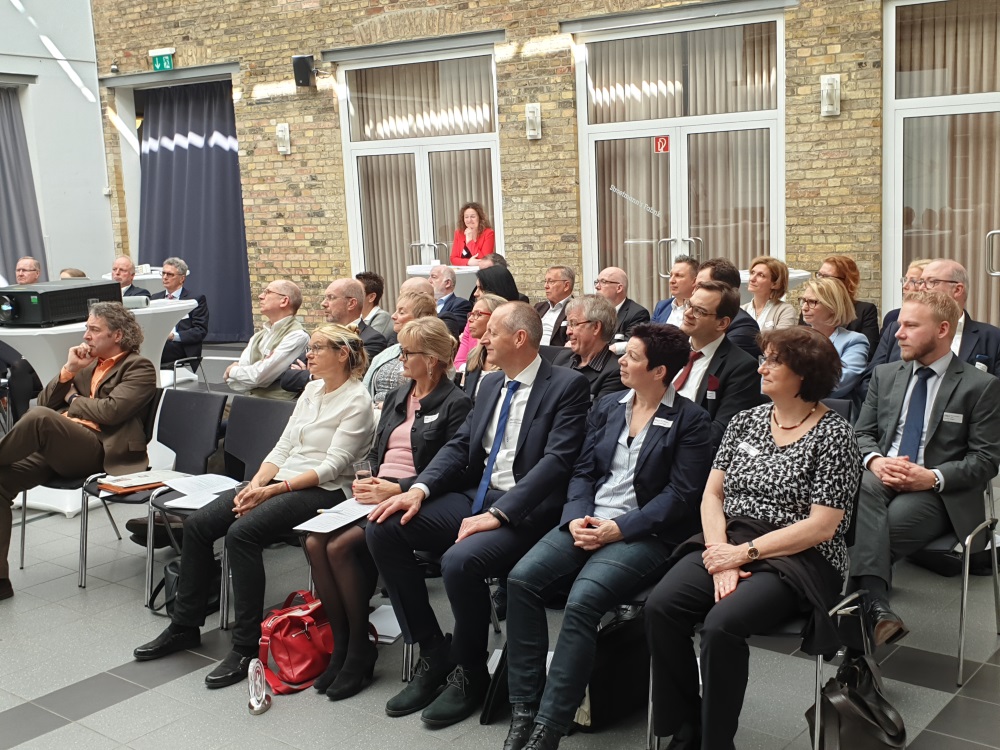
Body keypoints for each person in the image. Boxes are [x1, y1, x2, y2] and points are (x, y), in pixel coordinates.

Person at [366, 302, 591, 728]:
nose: (481, 340)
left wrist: (502, 514)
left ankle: (469, 671)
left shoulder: (566, 386)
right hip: (476, 496)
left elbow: (557, 462)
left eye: (491, 334)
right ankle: (434, 652)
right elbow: (459, 446)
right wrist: (417, 489)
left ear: (519, 338)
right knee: (383, 528)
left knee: (460, 561)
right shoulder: (488, 384)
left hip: (526, 509)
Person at [646, 326, 861, 750]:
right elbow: (711, 495)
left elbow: (822, 526)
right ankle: (688, 723)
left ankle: (716, 741)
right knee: (660, 607)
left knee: (721, 625)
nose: (761, 367)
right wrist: (717, 551)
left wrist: (741, 555)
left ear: (804, 374)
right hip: (728, 537)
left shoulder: (835, 435)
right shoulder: (745, 421)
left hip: (799, 553)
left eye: (774, 361)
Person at [503, 323, 714, 750]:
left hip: (645, 534)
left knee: (583, 602)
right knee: (521, 581)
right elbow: (582, 470)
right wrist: (578, 515)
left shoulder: (690, 420)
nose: (621, 361)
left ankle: (550, 725)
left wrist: (621, 527)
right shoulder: (608, 404)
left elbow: (680, 496)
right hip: (590, 518)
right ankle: (524, 708)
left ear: (659, 372)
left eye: (632, 357)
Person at [133, 324, 376, 688]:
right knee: (200, 525)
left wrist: (272, 492)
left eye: (317, 348)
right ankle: (185, 625)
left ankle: (245, 646)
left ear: (343, 354)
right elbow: (282, 447)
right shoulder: (311, 389)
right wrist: (257, 484)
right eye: (309, 348)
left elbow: (333, 466)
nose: (308, 355)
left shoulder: (357, 400)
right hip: (281, 481)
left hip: (325, 490)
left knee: (242, 534)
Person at [305, 317, 472, 700]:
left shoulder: (457, 404)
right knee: (316, 542)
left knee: (339, 546)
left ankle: (361, 651)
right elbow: (379, 452)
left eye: (407, 352)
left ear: (431, 360)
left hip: (421, 495)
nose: (399, 358)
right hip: (377, 491)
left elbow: (455, 469)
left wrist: (398, 487)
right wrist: (366, 479)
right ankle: (346, 644)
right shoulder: (399, 395)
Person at [849, 292, 1000, 645]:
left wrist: (931, 476)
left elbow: (986, 461)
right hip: (881, 477)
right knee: (866, 490)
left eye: (910, 326)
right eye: (899, 324)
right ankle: (876, 614)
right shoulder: (886, 375)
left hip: (938, 491)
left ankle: (852, 628)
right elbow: (861, 435)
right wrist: (876, 460)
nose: (897, 333)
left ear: (943, 329)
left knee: (863, 535)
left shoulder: (980, 387)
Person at [0, 302, 156, 600]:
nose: (86, 336)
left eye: (94, 330)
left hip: (100, 450)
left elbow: (112, 412)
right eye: (87, 328)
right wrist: (69, 371)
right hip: (60, 448)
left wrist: (72, 401)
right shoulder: (86, 367)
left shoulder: (138, 367)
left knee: (39, 419)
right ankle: (0, 582)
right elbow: (45, 402)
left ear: (118, 335)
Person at [861, 259, 1000, 403]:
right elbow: (869, 381)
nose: (921, 288)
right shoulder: (896, 330)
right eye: (921, 282)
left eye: (931, 282)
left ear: (957, 290)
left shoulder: (992, 338)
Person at [676, 280, 765, 450]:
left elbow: (722, 431)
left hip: (690, 454)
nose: (687, 313)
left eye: (699, 311)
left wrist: (669, 434)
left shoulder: (742, 367)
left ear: (722, 323)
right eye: (689, 305)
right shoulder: (669, 349)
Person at [280, 278, 387, 395]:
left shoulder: (371, 339)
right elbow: (287, 378)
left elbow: (351, 376)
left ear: (351, 303)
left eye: (331, 298)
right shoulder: (321, 336)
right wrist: (318, 375)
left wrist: (310, 374)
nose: (323, 304)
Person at [222, 281, 309, 399]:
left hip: (276, 407)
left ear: (284, 301)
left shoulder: (297, 336)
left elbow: (259, 377)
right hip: (249, 400)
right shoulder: (258, 336)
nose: (260, 296)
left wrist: (232, 370)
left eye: (267, 292)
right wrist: (247, 375)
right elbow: (233, 383)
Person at [799, 277, 869, 401]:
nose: (804, 307)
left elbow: (840, 382)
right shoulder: (796, 339)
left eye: (812, 302)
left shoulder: (853, 341)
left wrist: (792, 384)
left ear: (832, 307)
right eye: (803, 300)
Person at [363, 291, 437, 405]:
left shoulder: (433, 355)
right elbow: (365, 390)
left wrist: (391, 408)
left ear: (421, 318)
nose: (393, 316)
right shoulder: (386, 354)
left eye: (401, 312)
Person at [549, 294, 624, 403]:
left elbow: (596, 416)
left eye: (574, 324)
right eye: (568, 324)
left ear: (596, 327)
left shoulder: (616, 372)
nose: (568, 331)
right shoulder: (561, 358)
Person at [806, 255, 880, 358]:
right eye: (819, 275)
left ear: (847, 281)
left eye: (826, 277)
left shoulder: (865, 310)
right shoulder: (810, 306)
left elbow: (869, 353)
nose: (820, 281)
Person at [455, 265, 522, 368]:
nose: (475, 294)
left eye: (480, 288)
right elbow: (458, 362)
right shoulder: (472, 321)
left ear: (495, 290)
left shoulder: (514, 323)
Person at [694, 258, 761, 359]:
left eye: (702, 286)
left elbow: (716, 364)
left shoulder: (743, 327)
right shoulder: (691, 314)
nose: (694, 292)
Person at [150, 257, 210, 368]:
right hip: (157, 344)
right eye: (163, 273)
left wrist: (173, 336)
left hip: (180, 345)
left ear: (182, 278)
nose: (164, 277)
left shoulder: (195, 300)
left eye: (170, 274)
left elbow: (200, 331)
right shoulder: (155, 298)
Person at [458, 293, 507, 400]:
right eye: (471, 314)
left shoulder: (509, 361)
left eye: (478, 314)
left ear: (496, 318)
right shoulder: (473, 356)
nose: (470, 319)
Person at [594, 266, 650, 343]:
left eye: (603, 282)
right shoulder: (593, 312)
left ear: (619, 288)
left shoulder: (637, 314)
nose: (597, 286)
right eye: (597, 282)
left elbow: (630, 346)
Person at [742, 255, 797, 331]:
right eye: (752, 272)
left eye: (761, 275)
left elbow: (780, 341)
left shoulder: (785, 311)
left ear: (775, 284)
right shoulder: (741, 310)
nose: (752, 279)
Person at [881, 259, 930, 331]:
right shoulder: (892, 317)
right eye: (905, 280)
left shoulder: (937, 319)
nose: (904, 286)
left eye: (913, 281)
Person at [652, 256, 699, 327]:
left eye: (678, 276)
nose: (671, 281)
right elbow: (649, 335)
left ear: (694, 281)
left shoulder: (700, 310)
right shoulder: (662, 306)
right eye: (671, 275)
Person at [534, 266, 575, 347]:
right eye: (545, 281)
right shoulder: (539, 307)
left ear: (566, 286)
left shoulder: (576, 309)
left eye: (551, 281)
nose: (545, 286)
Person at [429, 264, 472, 340]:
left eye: (434, 277)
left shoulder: (461, 305)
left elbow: (448, 330)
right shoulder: (424, 303)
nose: (429, 281)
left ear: (447, 283)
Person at [450, 201, 496, 266]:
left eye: (473, 217)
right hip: (463, 272)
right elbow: (453, 259)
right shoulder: (458, 233)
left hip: (482, 272)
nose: (469, 220)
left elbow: (485, 260)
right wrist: (468, 262)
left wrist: (469, 242)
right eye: (466, 217)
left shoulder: (488, 233)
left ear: (480, 218)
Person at [356, 271, 393, 339]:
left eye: (357, 291)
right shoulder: (359, 318)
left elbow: (368, 342)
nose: (352, 295)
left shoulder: (382, 317)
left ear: (371, 297)